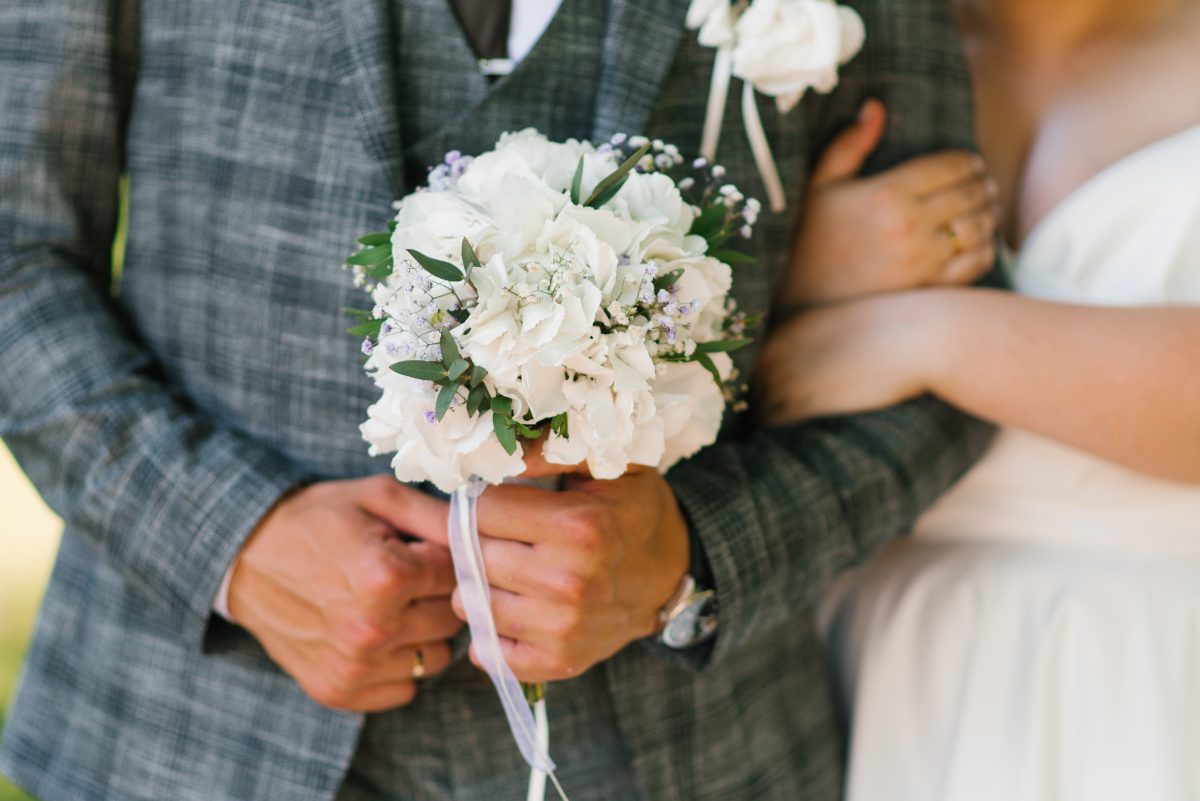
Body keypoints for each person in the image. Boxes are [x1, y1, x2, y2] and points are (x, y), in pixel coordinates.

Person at [0, 1, 994, 799]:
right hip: (185, 739)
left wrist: (694, 556)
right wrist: (226, 538)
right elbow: (16, 252)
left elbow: (959, 356)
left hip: (685, 756)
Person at [756, 0, 1200, 798]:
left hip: (1165, 673)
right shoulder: (805, 44)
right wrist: (795, 277)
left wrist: (924, 337)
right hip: (879, 679)